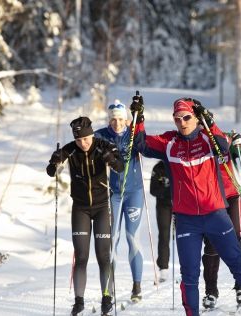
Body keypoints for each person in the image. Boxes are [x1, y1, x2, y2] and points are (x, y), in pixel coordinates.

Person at [132, 95, 241, 316]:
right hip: (187, 221)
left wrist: (210, 122)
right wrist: (138, 117)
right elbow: (140, 144)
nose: (182, 122)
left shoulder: (208, 138)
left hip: (215, 214)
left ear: (195, 117)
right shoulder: (169, 143)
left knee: (236, 259)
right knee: (190, 274)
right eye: (177, 119)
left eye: (186, 117)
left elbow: (223, 147)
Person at [46, 116, 124, 316]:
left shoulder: (103, 146)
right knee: (81, 256)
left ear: (91, 133)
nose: (83, 143)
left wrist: (111, 160)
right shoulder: (71, 149)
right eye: (79, 140)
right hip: (80, 208)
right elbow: (53, 165)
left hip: (101, 208)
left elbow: (120, 166)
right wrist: (54, 164)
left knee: (103, 256)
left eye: (86, 138)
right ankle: (79, 301)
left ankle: (107, 298)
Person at [94, 101, 144, 302]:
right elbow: (85, 143)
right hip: (113, 193)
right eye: (113, 119)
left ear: (126, 120)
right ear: (109, 119)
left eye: (121, 119)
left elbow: (145, 139)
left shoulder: (134, 134)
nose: (117, 123)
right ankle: (109, 288)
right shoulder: (101, 136)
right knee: (112, 238)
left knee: (132, 238)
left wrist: (140, 116)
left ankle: (137, 286)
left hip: (134, 193)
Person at [201, 131, 241, 310]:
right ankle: (211, 291)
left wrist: (240, 144)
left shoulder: (226, 137)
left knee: (235, 240)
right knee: (211, 245)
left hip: (232, 194)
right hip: (211, 197)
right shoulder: (196, 141)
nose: (203, 125)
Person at [149, 160, 172, 282]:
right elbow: (153, 190)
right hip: (163, 205)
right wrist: (167, 192)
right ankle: (163, 268)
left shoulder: (178, 162)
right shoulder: (158, 167)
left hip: (180, 203)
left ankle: (185, 267)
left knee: (183, 235)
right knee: (164, 234)